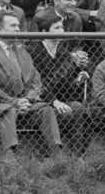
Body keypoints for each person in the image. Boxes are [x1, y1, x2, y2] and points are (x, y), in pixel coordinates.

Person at [0, 11, 63, 157]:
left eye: (18, 25)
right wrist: (13, 102)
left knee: (46, 109)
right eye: (13, 25)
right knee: (8, 110)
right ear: (0, 30)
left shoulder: (21, 51)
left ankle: (57, 154)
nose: (18, 29)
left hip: (23, 106)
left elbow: (35, 80)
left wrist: (27, 100)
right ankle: (9, 157)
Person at [28, 11, 90, 153]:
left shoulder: (63, 52)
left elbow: (65, 87)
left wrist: (77, 80)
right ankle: (50, 155)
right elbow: (37, 85)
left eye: (62, 27)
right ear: (44, 32)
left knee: (78, 107)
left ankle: (77, 155)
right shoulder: (33, 52)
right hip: (42, 102)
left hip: (61, 100)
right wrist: (54, 102)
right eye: (56, 28)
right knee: (58, 111)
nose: (62, 31)